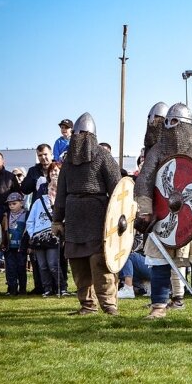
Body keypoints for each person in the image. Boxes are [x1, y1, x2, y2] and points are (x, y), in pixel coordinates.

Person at [135, 103, 192, 319]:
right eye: (167, 122)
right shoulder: (157, 151)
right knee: (160, 262)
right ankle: (159, 307)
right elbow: (144, 182)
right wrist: (145, 211)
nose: (170, 126)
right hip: (163, 216)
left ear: (187, 125)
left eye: (175, 122)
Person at [53, 113, 121, 315]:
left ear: (90, 135)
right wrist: (57, 219)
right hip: (74, 216)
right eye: (74, 133)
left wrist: (118, 216)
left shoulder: (103, 156)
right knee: (78, 263)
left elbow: (118, 190)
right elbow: (61, 193)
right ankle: (87, 304)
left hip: (97, 215)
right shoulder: (68, 162)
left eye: (80, 132)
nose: (76, 136)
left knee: (99, 263)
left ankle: (109, 305)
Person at [27, 181, 65, 297]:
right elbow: (30, 220)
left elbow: (61, 220)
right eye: (52, 189)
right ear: (48, 189)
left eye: (56, 190)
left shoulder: (61, 203)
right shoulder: (38, 202)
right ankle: (47, 288)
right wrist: (32, 234)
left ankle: (62, 287)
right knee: (42, 265)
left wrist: (54, 205)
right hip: (39, 237)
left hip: (53, 237)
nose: (53, 192)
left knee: (53, 264)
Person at [1, 192, 28, 296]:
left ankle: (22, 290)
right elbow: (3, 230)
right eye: (10, 204)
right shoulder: (6, 215)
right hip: (9, 246)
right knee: (10, 268)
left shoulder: (26, 214)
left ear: (21, 203)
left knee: (21, 268)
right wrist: (3, 243)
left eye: (14, 203)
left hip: (21, 246)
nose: (11, 206)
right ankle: (12, 289)